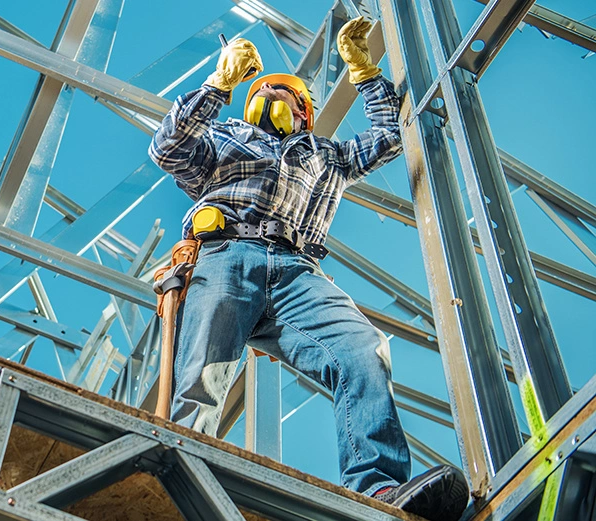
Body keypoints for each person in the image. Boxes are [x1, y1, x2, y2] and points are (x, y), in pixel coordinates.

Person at [148, 17, 470, 521]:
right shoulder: (225, 139)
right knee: (203, 375)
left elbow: (389, 135)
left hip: (298, 272)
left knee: (363, 351)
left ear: (306, 112)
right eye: (262, 87)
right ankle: (181, 476)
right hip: (225, 256)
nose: (271, 91)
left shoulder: (327, 156)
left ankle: (378, 487)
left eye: (284, 89)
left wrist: (365, 72)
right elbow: (168, 146)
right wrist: (218, 84)